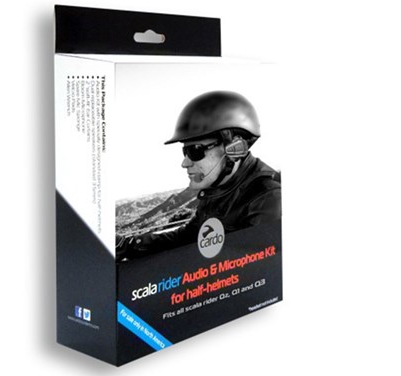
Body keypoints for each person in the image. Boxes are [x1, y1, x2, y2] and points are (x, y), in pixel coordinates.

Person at [116, 91, 281, 260]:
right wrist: (130, 245)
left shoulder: (269, 199)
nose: (185, 163)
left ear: (234, 148)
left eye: (195, 150)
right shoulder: (218, 190)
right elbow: (188, 237)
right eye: (185, 151)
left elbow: (254, 269)